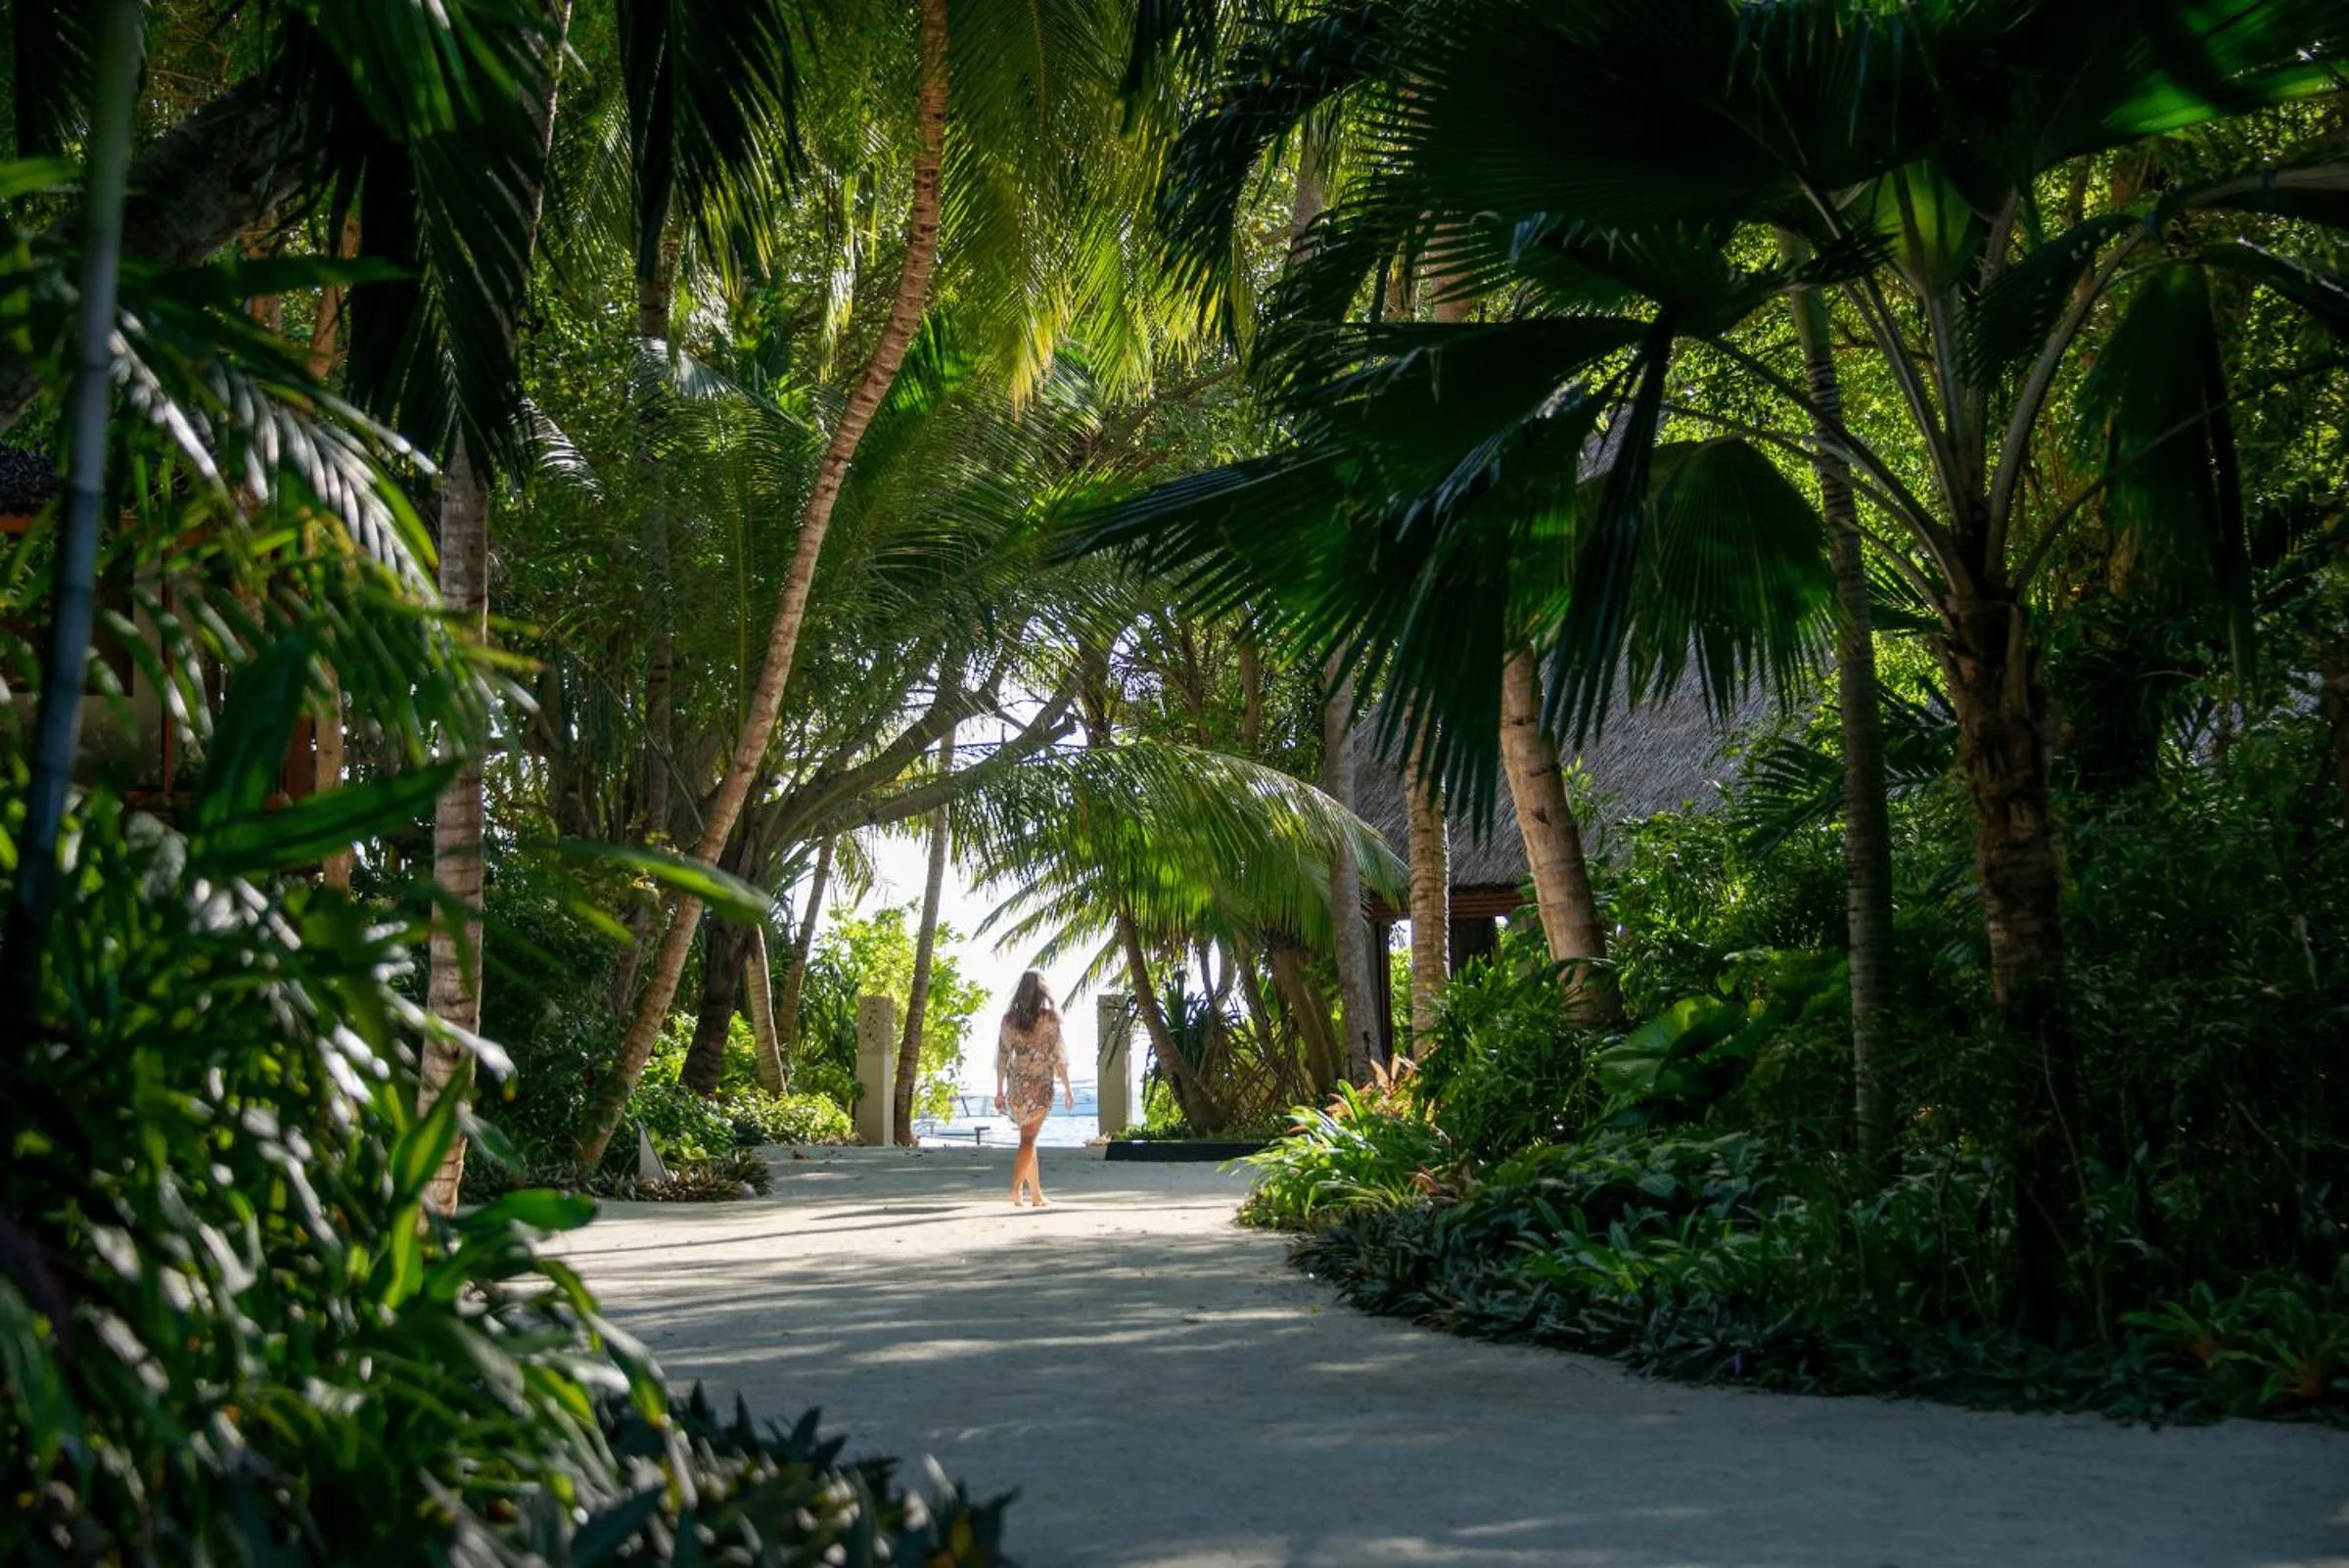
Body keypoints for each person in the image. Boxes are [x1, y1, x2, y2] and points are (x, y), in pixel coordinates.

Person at [994, 970, 1073, 1207]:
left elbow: (1001, 1056)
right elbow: (1059, 1056)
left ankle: (1036, 1195)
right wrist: (1068, 1088)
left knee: (1028, 1138)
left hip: (1017, 1084)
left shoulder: (1009, 1020)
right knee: (1029, 1138)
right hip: (1040, 1084)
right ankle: (1015, 1189)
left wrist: (999, 1090)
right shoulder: (1049, 1019)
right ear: (1042, 992)